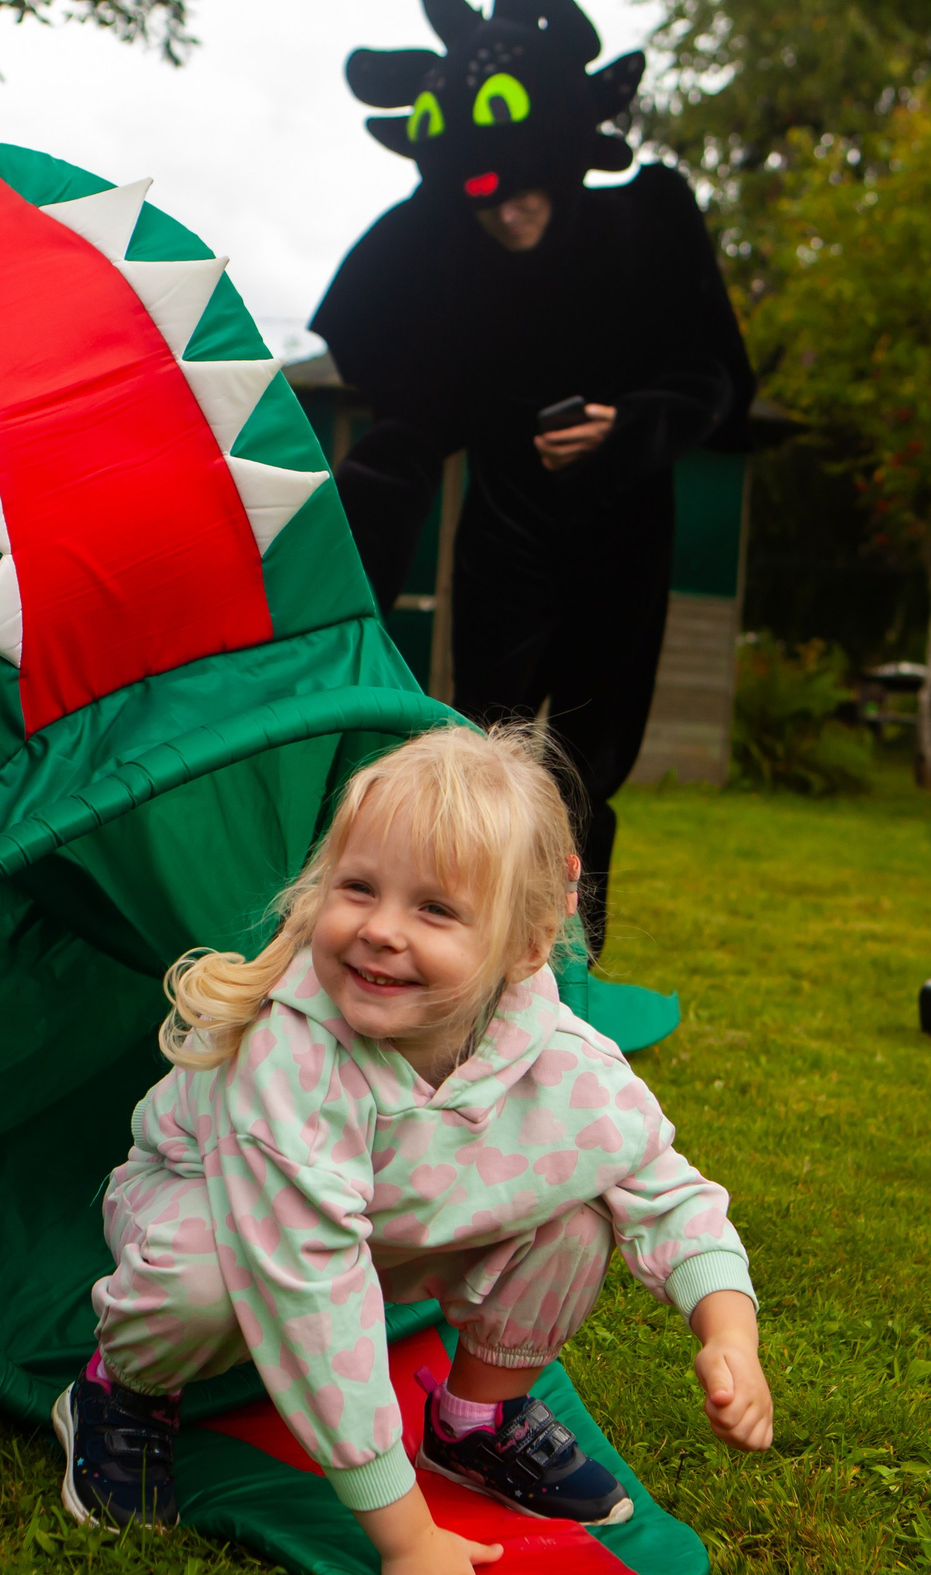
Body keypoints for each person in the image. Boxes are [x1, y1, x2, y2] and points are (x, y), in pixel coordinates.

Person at [53, 723, 771, 1575]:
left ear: (523, 943)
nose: (382, 929)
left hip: (388, 1230)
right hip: (222, 1214)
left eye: (435, 910)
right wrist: (404, 1535)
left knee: (579, 1219)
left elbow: (666, 1192)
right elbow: (306, 1285)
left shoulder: (562, 1062)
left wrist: (728, 1329)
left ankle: (475, 1417)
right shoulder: (294, 1058)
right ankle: (125, 1387)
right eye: (359, 889)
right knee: (201, 1275)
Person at [311, 0, 754, 958]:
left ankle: (573, 967)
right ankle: (464, 953)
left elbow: (715, 374)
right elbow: (421, 406)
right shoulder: (459, 264)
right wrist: (361, 512)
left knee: (588, 766)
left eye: (524, 197)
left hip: (625, 528)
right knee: (484, 745)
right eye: (486, 202)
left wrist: (628, 426)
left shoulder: (645, 228)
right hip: (508, 528)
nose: (508, 215)